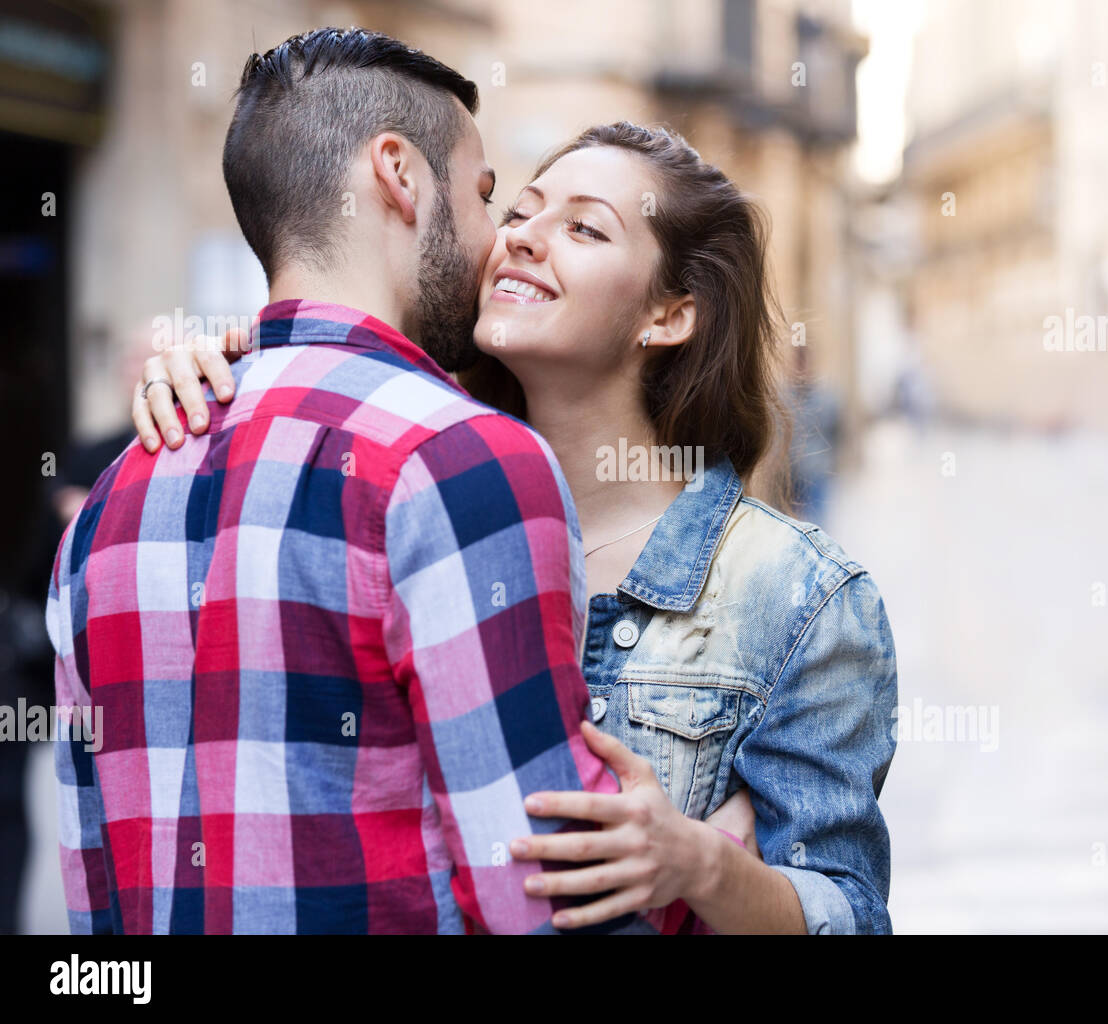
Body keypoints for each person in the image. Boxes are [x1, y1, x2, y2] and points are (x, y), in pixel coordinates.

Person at [138, 120, 900, 933]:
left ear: (670, 315)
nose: (523, 241)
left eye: (582, 227)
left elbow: (847, 910)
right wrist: (237, 376)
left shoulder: (797, 595)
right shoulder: (410, 505)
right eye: (518, 212)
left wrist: (701, 864)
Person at [45, 27, 703, 935]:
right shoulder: (463, 460)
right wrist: (726, 871)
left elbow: (91, 890)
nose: (497, 246)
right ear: (399, 175)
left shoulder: (109, 503)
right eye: (484, 197)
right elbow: (540, 894)